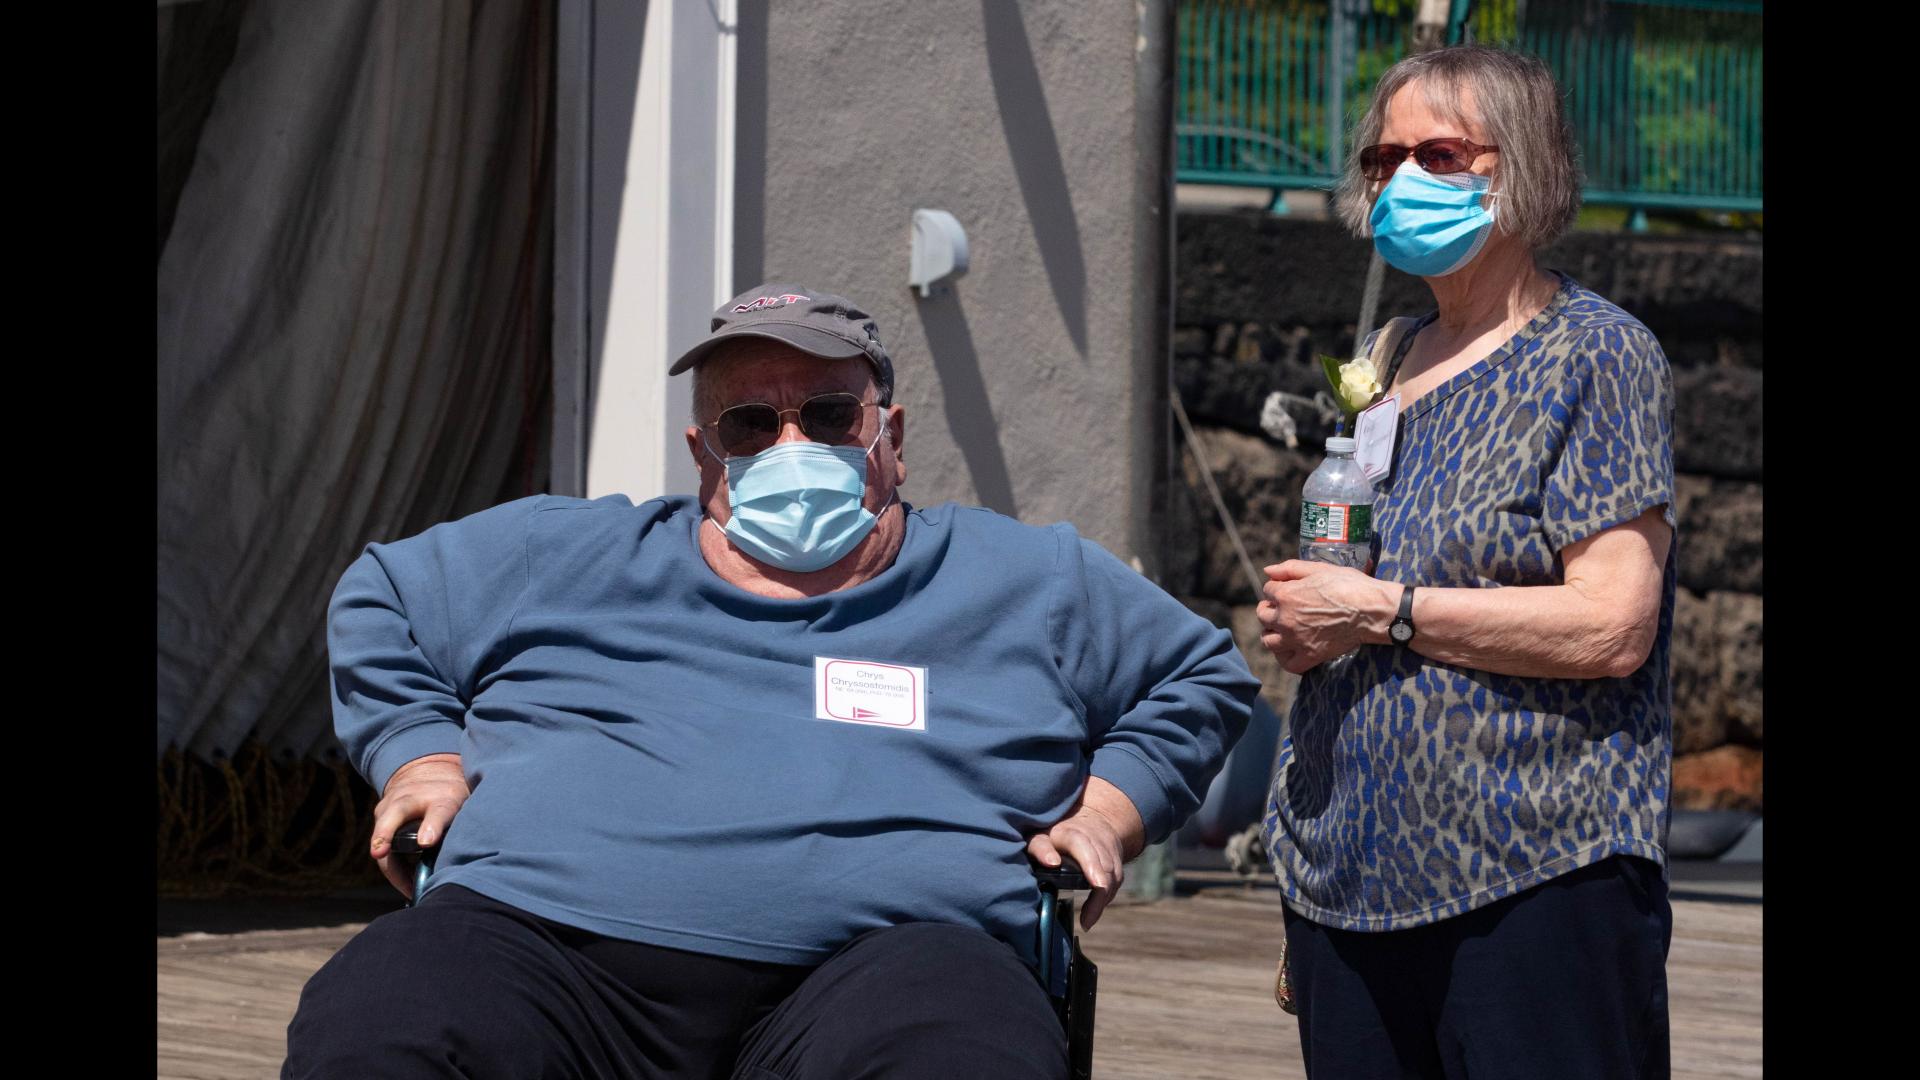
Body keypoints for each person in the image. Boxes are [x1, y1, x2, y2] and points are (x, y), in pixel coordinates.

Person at [284, 284, 1258, 1080]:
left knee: (963, 1052)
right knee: (382, 1017)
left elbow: (1200, 673)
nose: (792, 447)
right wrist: (419, 756)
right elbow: (382, 595)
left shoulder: (1027, 580)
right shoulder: (567, 551)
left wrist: (1106, 815)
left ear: (892, 433)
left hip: (890, 970)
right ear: (702, 453)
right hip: (545, 953)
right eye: (749, 423)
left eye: (830, 414)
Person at [1255, 46, 1677, 1079]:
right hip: (1349, 874)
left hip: (1532, 877)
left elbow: (1614, 624)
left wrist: (1382, 612)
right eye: (1382, 160)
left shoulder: (1596, 354)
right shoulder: (1392, 353)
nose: (1401, 181)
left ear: (1517, 166)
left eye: (1437, 154)